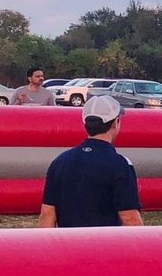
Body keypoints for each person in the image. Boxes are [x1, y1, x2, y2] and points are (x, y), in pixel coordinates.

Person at [37, 96, 143, 228]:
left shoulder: (60, 161)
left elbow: (47, 216)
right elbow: (130, 219)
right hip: (105, 245)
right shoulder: (121, 164)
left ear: (85, 124)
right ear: (116, 122)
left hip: (68, 245)